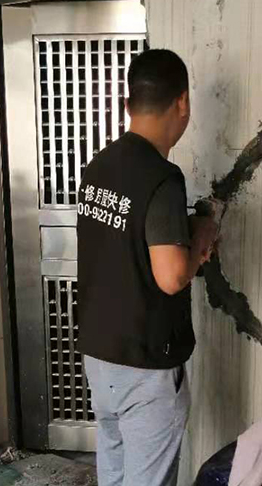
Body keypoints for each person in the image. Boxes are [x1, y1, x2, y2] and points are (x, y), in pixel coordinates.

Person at [77, 49, 219, 486]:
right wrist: (201, 239)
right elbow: (171, 275)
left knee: (115, 474)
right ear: (182, 103)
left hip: (101, 358)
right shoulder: (161, 177)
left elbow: (122, 246)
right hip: (144, 366)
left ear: (128, 105)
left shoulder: (98, 167)